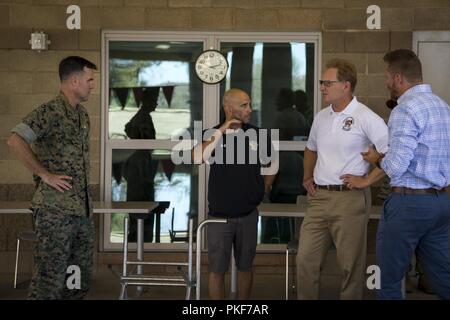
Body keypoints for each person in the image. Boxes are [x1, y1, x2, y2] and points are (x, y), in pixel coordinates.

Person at [341, 49, 450, 299]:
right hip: (441, 203)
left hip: (408, 203)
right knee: (443, 275)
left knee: (389, 279)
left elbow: (395, 166)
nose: (386, 82)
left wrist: (376, 158)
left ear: (399, 78)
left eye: (387, 77)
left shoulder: (405, 110)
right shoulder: (443, 106)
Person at [296, 59, 389, 300]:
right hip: (318, 198)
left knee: (350, 265)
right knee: (305, 259)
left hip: (349, 198)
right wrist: (307, 175)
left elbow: (392, 154)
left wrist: (367, 181)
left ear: (346, 86)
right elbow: (310, 148)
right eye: (321, 83)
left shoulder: (366, 116)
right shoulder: (321, 116)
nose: (322, 87)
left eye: (328, 83)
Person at [7, 56, 97, 299]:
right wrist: (44, 174)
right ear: (74, 81)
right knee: (49, 280)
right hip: (54, 211)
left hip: (81, 211)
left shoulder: (82, 116)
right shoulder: (50, 111)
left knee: (78, 278)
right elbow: (15, 139)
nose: (92, 85)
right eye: (89, 80)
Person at [192, 88, 276, 300]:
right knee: (216, 270)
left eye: (249, 104)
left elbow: (272, 165)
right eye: (244, 105)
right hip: (219, 216)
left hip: (248, 214)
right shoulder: (212, 134)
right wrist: (223, 129)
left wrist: (262, 190)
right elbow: (197, 158)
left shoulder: (257, 134)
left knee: (245, 267)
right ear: (228, 109)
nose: (250, 109)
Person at [123, 87, 159, 242]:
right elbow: (129, 129)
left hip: (141, 166)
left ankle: (141, 238)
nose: (156, 104)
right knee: (140, 209)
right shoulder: (142, 117)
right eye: (155, 100)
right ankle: (138, 241)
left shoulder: (144, 117)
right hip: (139, 169)